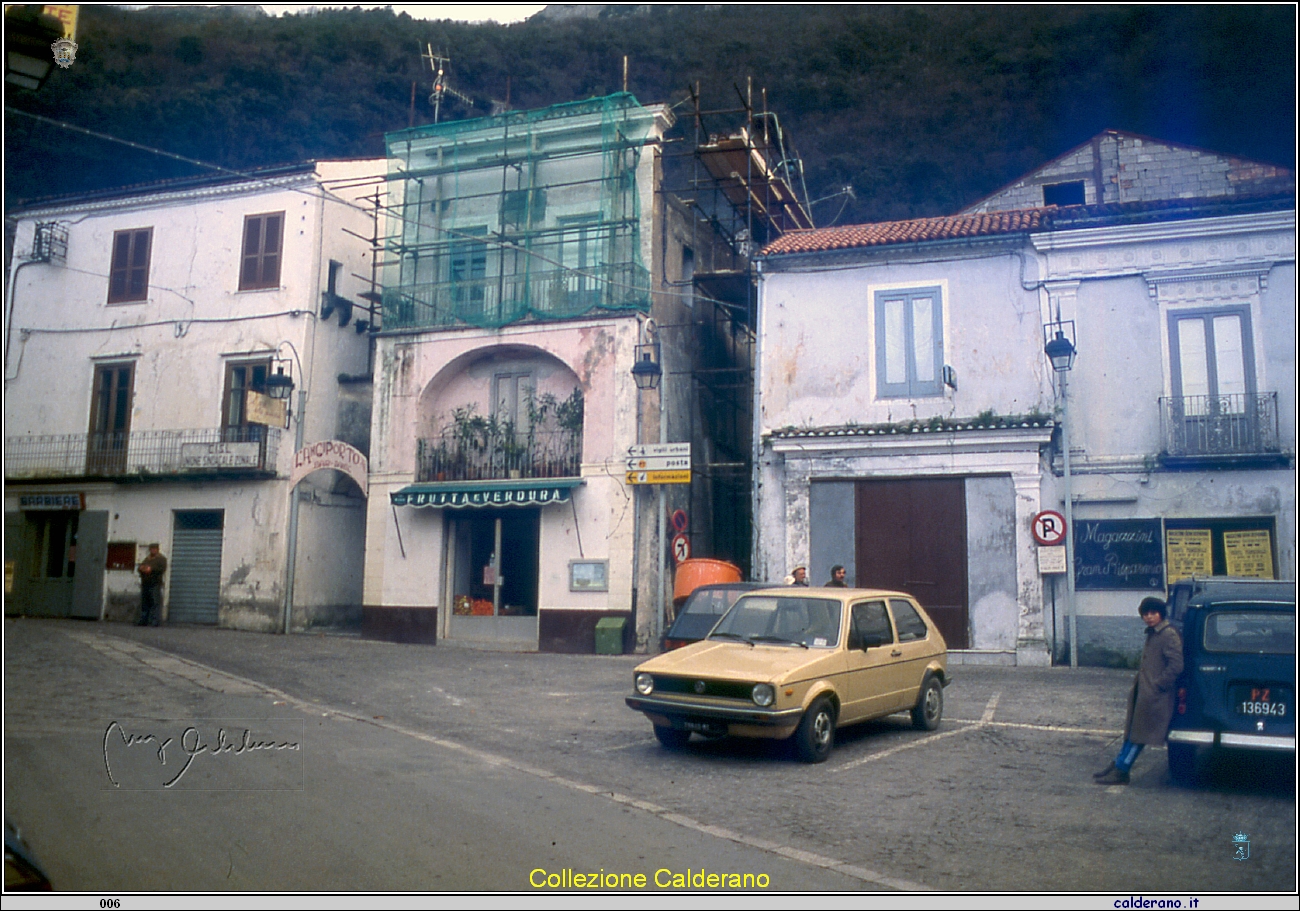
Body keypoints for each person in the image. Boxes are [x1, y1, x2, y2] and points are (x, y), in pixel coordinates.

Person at [1094, 596, 1183, 785]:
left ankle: (1122, 770)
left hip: (1156, 695)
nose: (1149, 617)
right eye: (1146, 614)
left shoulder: (1168, 634)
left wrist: (1159, 685)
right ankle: (1118, 764)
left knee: (1140, 735)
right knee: (1133, 732)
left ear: (1161, 614)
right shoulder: (1154, 633)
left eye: (1153, 613)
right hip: (1145, 692)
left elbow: (1176, 665)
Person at [137, 543, 167, 627]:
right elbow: (140, 567)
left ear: (157, 549)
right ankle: (144, 620)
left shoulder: (161, 559)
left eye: (154, 549)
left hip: (155, 583)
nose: (153, 550)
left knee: (155, 602)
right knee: (145, 603)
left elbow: (162, 569)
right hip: (145, 583)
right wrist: (141, 569)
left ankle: (155, 621)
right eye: (151, 549)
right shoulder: (147, 559)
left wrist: (151, 569)